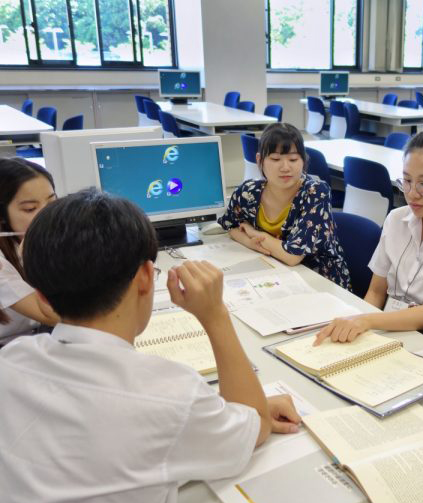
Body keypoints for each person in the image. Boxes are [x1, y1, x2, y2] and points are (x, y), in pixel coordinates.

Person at [0, 189, 300, 502]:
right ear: (145, 276)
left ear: (43, 297)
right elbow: (256, 424)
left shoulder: (12, 360)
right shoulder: (171, 395)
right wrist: (215, 316)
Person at [315, 130, 423, 348]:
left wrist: (367, 321)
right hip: (388, 324)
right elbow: (376, 292)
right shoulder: (396, 219)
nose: (411, 193)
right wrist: (359, 329)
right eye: (406, 180)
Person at [218, 123, 351, 289]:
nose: (285, 167)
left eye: (293, 159)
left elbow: (291, 257)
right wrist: (250, 242)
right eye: (275, 159)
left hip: (320, 282)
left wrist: (255, 234)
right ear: (260, 160)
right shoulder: (248, 192)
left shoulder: (315, 192)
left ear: (303, 160)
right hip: (275, 273)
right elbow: (231, 226)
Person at [0, 158, 59, 347]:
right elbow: (50, 315)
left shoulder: (51, 236)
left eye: (52, 203)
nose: (46, 215)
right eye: (30, 209)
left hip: (39, 337)